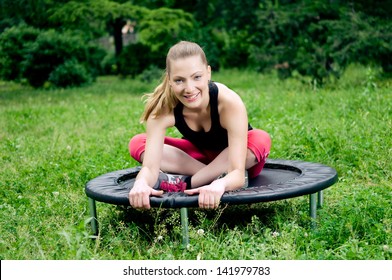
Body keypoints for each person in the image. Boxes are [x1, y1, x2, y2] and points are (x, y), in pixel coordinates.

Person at [128, 41, 271, 210]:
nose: (189, 89)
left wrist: (221, 185)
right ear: (170, 80)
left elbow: (238, 174)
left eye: (197, 77)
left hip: (236, 159)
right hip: (197, 157)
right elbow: (150, 168)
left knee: (260, 138)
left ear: (208, 73)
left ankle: (187, 182)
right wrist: (141, 184)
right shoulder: (162, 110)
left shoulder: (228, 102)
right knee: (138, 142)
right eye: (179, 80)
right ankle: (209, 176)